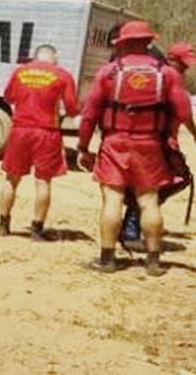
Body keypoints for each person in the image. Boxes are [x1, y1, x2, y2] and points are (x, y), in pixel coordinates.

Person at [77, 21, 194, 276]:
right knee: (149, 200)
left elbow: (89, 115)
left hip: (115, 144)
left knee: (113, 199)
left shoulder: (108, 72)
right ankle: (153, 262)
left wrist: (83, 147)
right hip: (150, 144)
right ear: (148, 42)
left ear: (123, 44)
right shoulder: (168, 74)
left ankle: (107, 259)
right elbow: (184, 112)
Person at [118, 41, 196, 250]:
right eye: (183, 64)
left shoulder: (163, 79)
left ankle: (134, 222)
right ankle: (131, 228)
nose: (185, 69)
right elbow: (183, 113)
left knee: (160, 185)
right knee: (159, 185)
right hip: (160, 142)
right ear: (171, 60)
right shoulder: (166, 80)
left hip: (159, 140)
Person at [0, 44, 80, 240]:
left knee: (11, 178)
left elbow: (8, 96)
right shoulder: (63, 75)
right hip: (46, 132)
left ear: (35, 57)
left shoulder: (20, 72)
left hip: (20, 130)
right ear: (54, 58)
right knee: (43, 181)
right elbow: (71, 108)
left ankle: (3, 224)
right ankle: (36, 229)